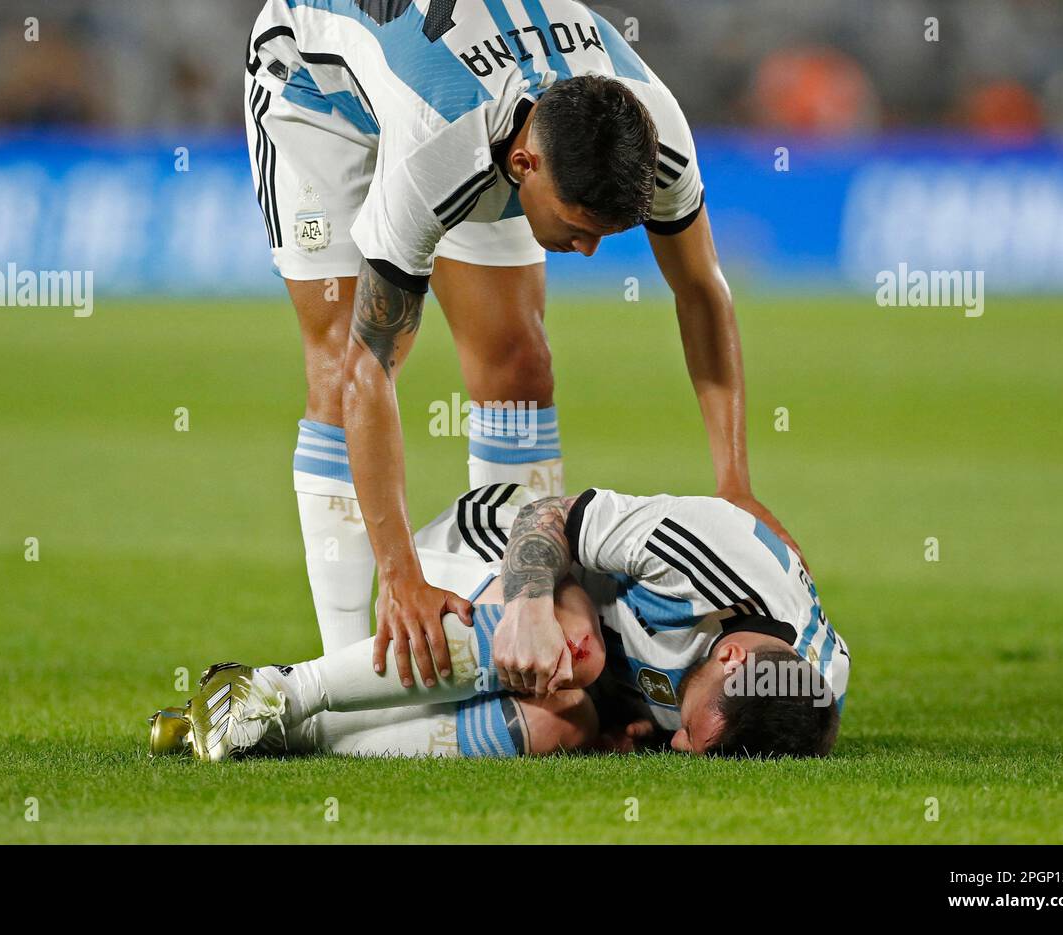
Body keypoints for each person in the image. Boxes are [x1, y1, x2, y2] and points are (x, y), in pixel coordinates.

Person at [242, 1, 800, 685]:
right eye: (577, 226)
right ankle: (344, 667)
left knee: (520, 364)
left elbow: (701, 292)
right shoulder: (434, 152)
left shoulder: (655, 125)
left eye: (606, 233)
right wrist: (401, 573)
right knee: (336, 371)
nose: (589, 251)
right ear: (524, 164)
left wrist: (733, 484)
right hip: (314, 87)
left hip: (474, 91)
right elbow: (370, 369)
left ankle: (517, 615)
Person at [149, 484, 846, 760]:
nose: (677, 749)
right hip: (486, 550)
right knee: (576, 648)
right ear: (731, 659)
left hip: (562, 654)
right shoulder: (698, 551)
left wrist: (625, 719)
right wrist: (532, 605)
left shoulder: (807, 699)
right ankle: (278, 690)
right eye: (688, 732)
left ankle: (276, 738)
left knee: (562, 721)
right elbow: (543, 514)